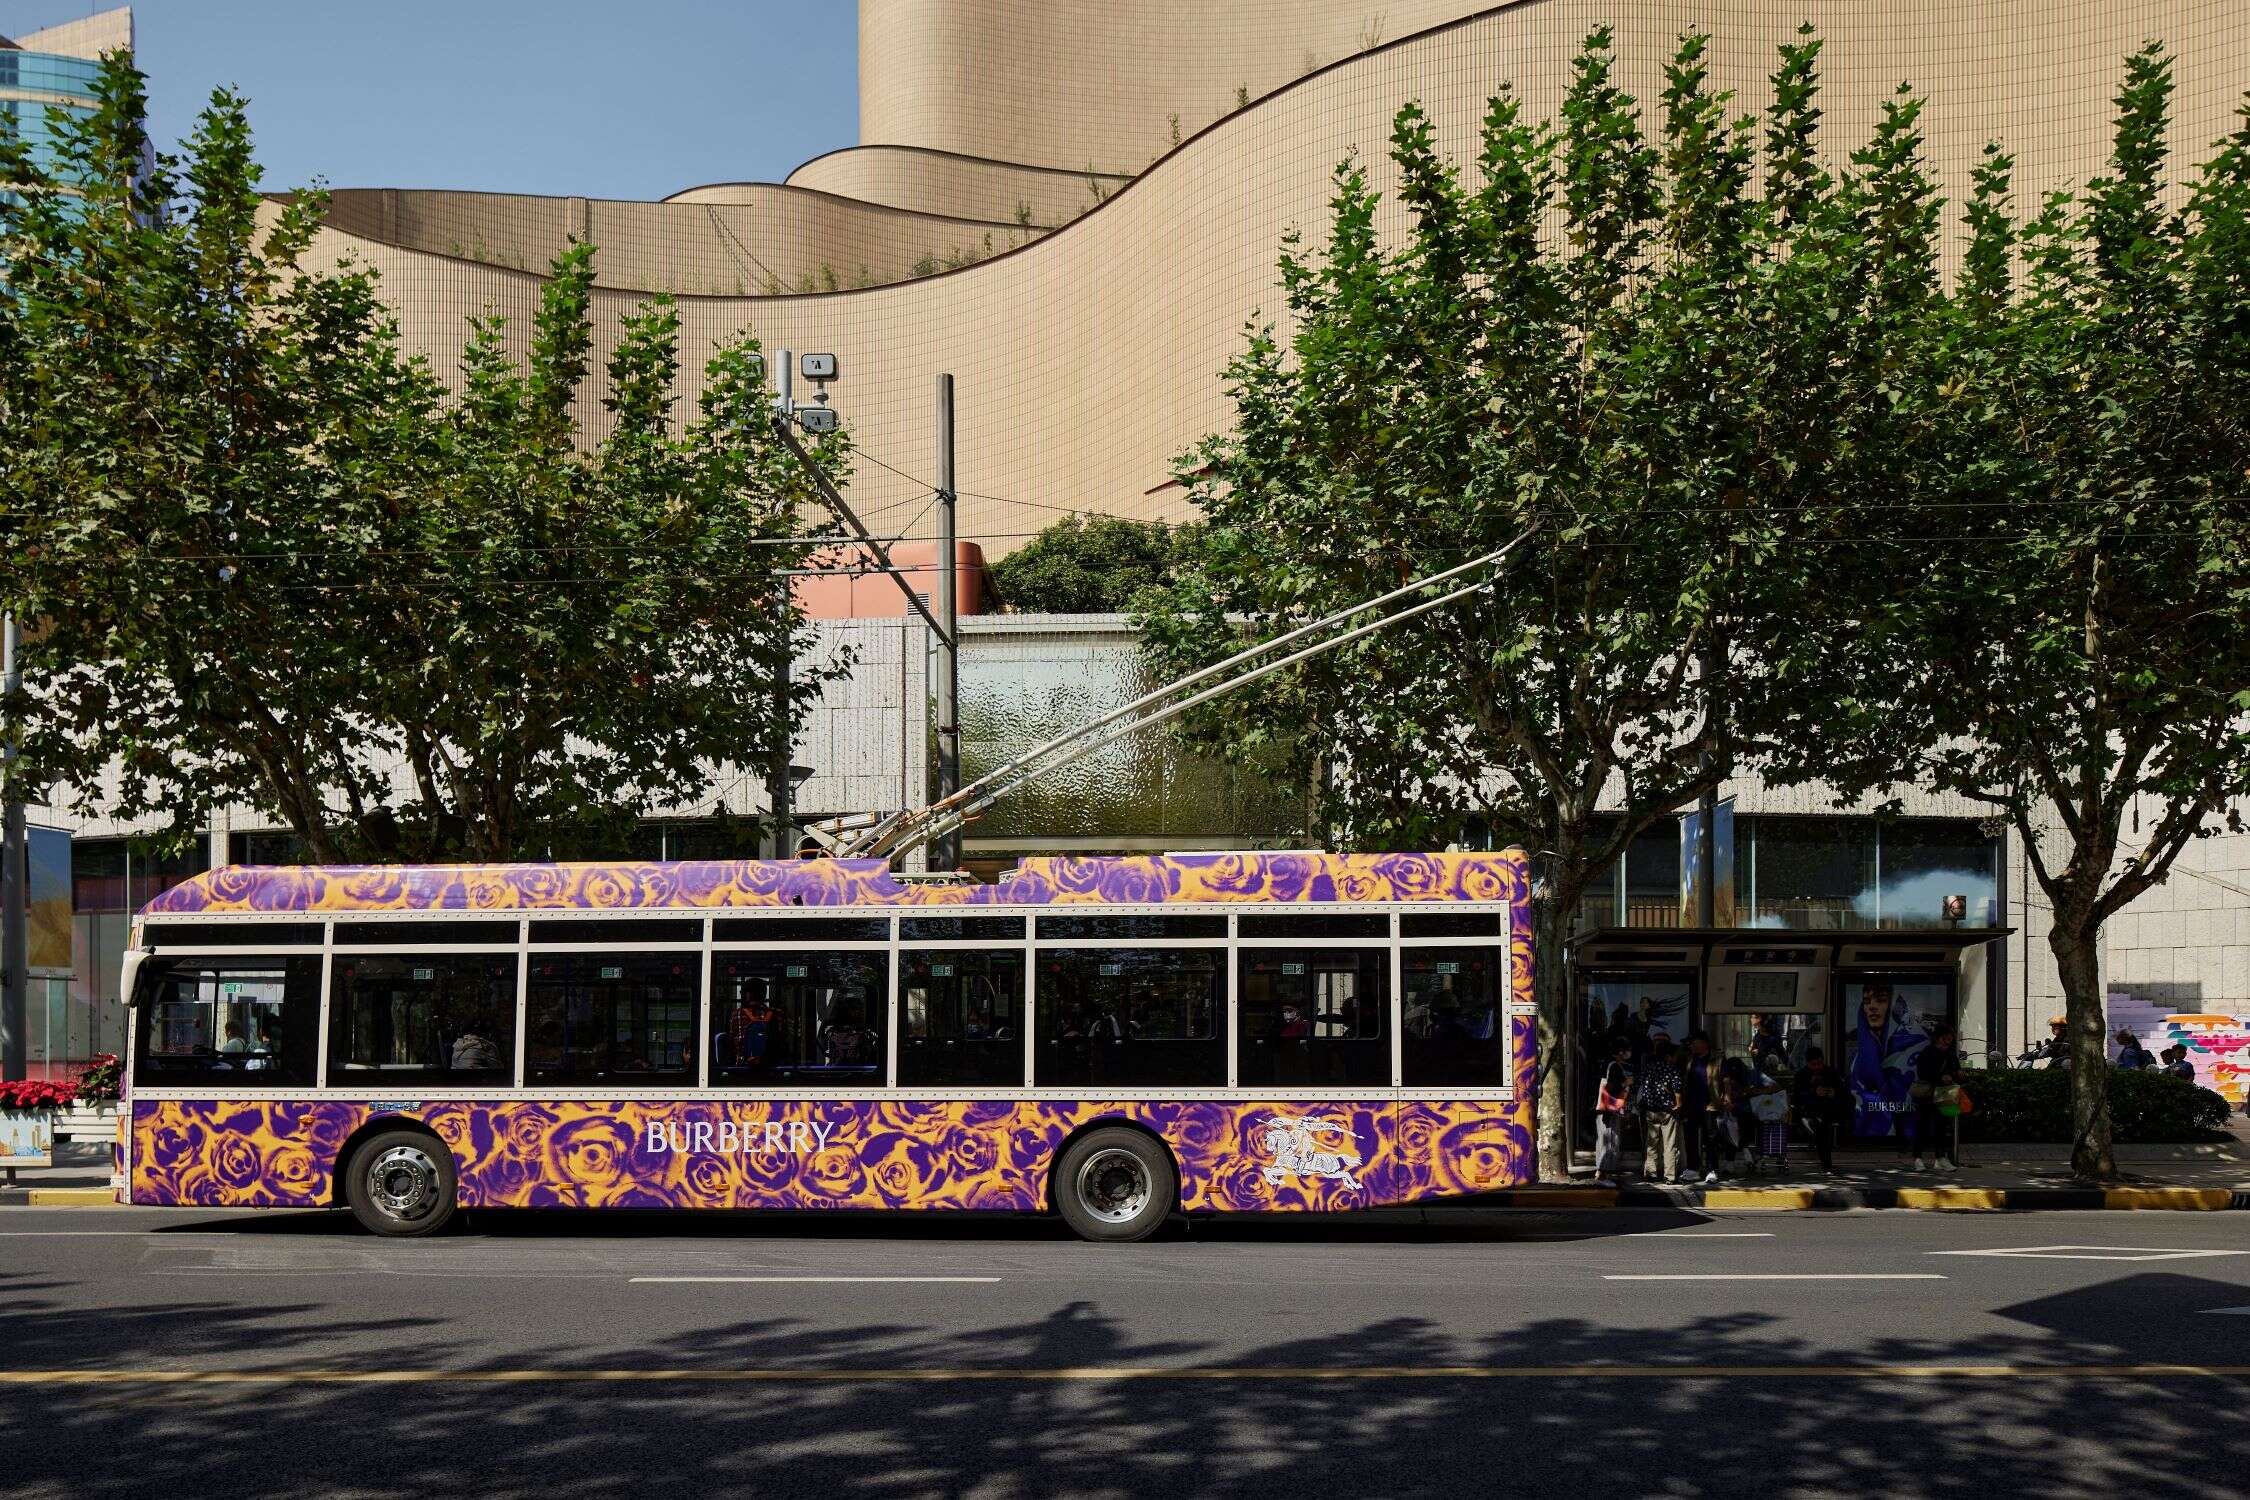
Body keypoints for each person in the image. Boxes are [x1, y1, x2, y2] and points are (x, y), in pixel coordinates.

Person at [1849, 981, 1927, 1145]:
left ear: (1893, 1005)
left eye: (1881, 1000)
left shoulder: (1916, 1043)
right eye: (1867, 1001)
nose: (1872, 1007)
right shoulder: (1861, 1053)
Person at [1912, 1023, 1963, 1172]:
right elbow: (1922, 1073)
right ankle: (1918, 1158)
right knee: (1923, 1126)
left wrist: (1958, 1075)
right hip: (1928, 1093)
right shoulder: (1927, 1052)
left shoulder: (1951, 1055)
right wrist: (1941, 1077)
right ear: (1937, 1038)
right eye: (1944, 1038)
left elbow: (1957, 1073)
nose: (1947, 1041)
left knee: (1943, 1126)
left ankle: (1940, 1158)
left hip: (1946, 1093)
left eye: (1949, 1039)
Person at [1635, 1034, 1685, 1183]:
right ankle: (1669, 1176)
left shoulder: (1649, 1067)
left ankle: (1650, 1172)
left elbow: (1642, 1084)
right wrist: (1678, 1105)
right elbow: (1677, 1089)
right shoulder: (1672, 1069)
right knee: (1669, 1144)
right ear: (1668, 1055)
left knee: (1651, 1143)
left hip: (1651, 1110)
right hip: (1667, 1111)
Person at [1792, 1046, 1849, 1174]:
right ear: (1808, 1064)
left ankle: (1827, 1161)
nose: (1817, 1067)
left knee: (1824, 1124)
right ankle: (1826, 1164)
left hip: (1829, 1110)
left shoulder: (1830, 1073)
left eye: (1819, 1063)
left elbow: (1844, 1091)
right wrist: (1813, 1092)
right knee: (1820, 1126)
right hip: (1809, 1111)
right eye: (1813, 1065)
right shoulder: (1802, 1075)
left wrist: (1833, 1093)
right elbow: (1796, 1098)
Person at [1680, 1031, 1717, 1184]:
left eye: (1694, 1042)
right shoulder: (1689, 1059)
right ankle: (1693, 1169)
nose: (1691, 1046)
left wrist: (1726, 1097)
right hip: (1691, 1105)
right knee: (1690, 1138)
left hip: (1709, 1105)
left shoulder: (1716, 1059)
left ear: (1704, 1043)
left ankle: (1712, 1169)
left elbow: (1726, 1079)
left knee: (1711, 1139)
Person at [1594, 1059, 1632, 1187]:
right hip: (1609, 1111)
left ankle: (1601, 1173)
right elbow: (1612, 1086)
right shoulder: (1614, 1066)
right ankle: (1603, 1175)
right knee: (1609, 1141)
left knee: (1604, 1141)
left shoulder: (1604, 1064)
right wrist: (1625, 1083)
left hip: (1604, 1110)